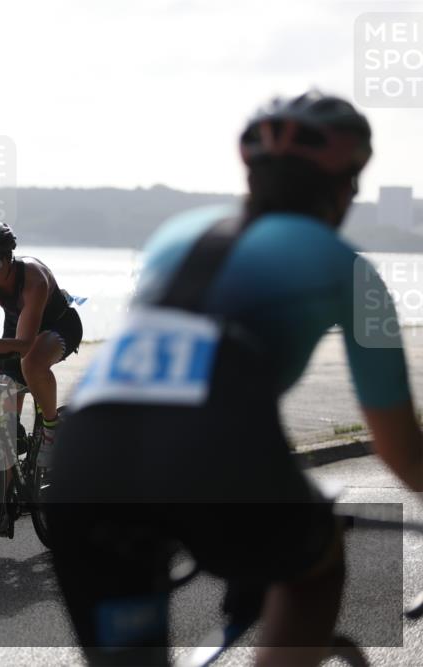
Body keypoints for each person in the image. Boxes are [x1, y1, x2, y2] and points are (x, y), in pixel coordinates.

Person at [49, 90, 423, 666]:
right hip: (217, 447)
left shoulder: (176, 235)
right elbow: (400, 450)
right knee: (314, 568)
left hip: (85, 447)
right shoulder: (347, 265)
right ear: (345, 184)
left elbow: (167, 371)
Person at [0, 220, 83, 466]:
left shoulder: (33, 278)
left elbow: (25, 344)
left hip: (58, 324)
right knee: (4, 424)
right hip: (19, 323)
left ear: (9, 258)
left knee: (31, 363)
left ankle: (52, 428)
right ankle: (7, 501)